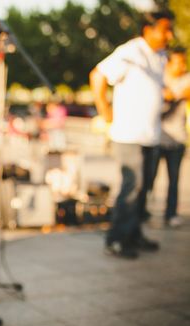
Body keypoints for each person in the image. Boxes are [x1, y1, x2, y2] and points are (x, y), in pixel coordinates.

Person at [90, 11, 173, 259]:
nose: (169, 35)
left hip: (151, 135)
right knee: (131, 187)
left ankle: (133, 234)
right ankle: (116, 239)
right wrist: (105, 110)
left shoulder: (159, 56)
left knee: (144, 188)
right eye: (165, 29)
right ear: (148, 30)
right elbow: (98, 75)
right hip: (128, 135)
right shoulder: (130, 52)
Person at [151, 48, 190, 227]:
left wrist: (172, 94)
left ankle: (171, 214)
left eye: (184, 62)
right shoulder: (159, 78)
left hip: (178, 138)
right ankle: (143, 212)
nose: (182, 66)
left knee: (174, 181)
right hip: (157, 137)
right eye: (178, 62)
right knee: (149, 177)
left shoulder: (186, 80)